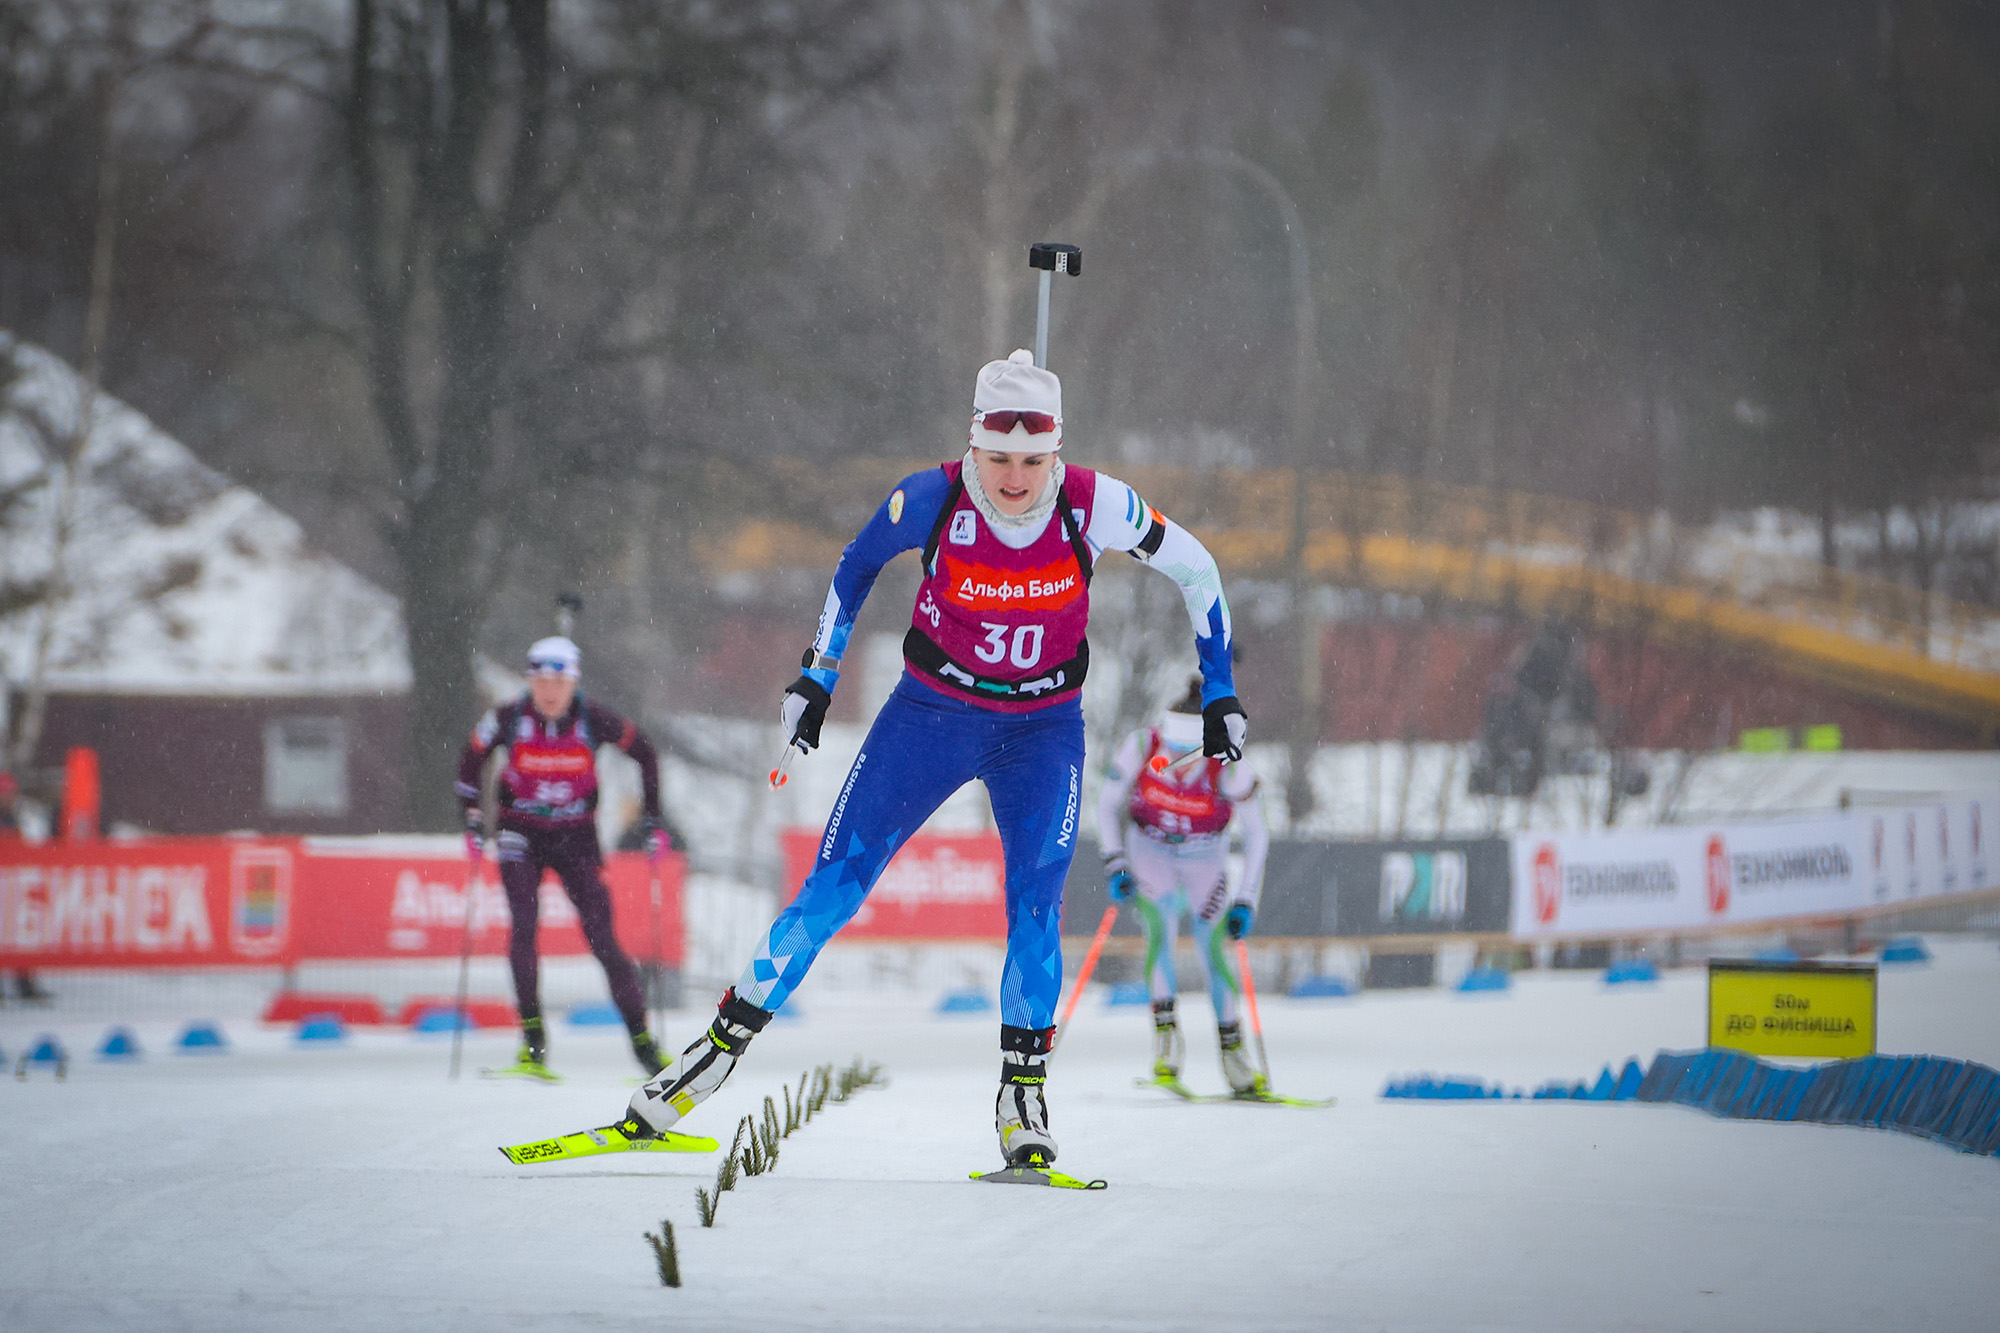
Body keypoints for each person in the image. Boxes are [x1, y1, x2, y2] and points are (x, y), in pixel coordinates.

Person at [618, 348, 1249, 1170]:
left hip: (1042, 729)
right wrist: (817, 675)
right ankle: (712, 1056)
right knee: (832, 889)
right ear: (973, 446)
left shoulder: (1096, 504)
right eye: (999, 459)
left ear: (1056, 451)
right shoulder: (931, 496)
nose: (1016, 478)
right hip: (931, 714)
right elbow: (854, 567)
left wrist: (1221, 691)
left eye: (1033, 460)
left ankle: (1022, 1093)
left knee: (1036, 898)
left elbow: (1197, 568)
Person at [456, 635, 670, 1077]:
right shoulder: (508, 718)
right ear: (530, 681)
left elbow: (645, 753)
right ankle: (532, 1047)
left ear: (573, 681)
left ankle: (645, 1047)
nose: (549, 692)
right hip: (521, 831)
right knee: (523, 924)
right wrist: (474, 816)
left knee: (604, 940)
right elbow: (469, 760)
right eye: (540, 681)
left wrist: (653, 818)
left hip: (576, 835)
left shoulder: (594, 717)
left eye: (559, 681)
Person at [1097, 677, 1269, 1095]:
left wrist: (1246, 901)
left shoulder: (1228, 766)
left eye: (1183, 752)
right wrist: (1115, 862)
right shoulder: (1143, 746)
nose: (1171, 761)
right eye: (1169, 747)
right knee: (1160, 935)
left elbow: (1258, 835)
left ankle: (1233, 1055)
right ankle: (1167, 1044)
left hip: (1204, 855)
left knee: (1213, 947)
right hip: (1150, 848)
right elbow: (1104, 805)